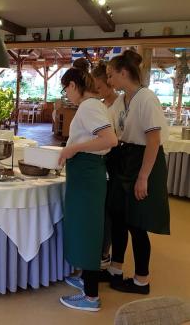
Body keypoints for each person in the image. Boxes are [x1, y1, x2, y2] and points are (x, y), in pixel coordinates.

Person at [102, 49, 170, 295]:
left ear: (124, 72)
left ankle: (142, 280)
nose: (109, 81)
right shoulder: (122, 100)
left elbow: (153, 141)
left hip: (145, 161)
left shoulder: (146, 98)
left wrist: (143, 178)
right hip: (125, 158)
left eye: (111, 76)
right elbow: (108, 127)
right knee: (119, 218)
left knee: (137, 223)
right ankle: (116, 269)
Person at [58, 67, 118, 312]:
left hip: (88, 174)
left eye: (65, 89)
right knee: (84, 227)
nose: (66, 94)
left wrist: (73, 149)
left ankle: (91, 297)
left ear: (73, 85)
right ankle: (85, 280)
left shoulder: (89, 106)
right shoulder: (93, 105)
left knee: (88, 230)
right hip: (86, 174)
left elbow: (109, 140)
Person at [92, 61, 119, 268]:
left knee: (108, 210)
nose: (98, 91)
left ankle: (105, 253)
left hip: (114, 159)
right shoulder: (102, 105)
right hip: (102, 159)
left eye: (100, 87)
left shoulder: (119, 105)